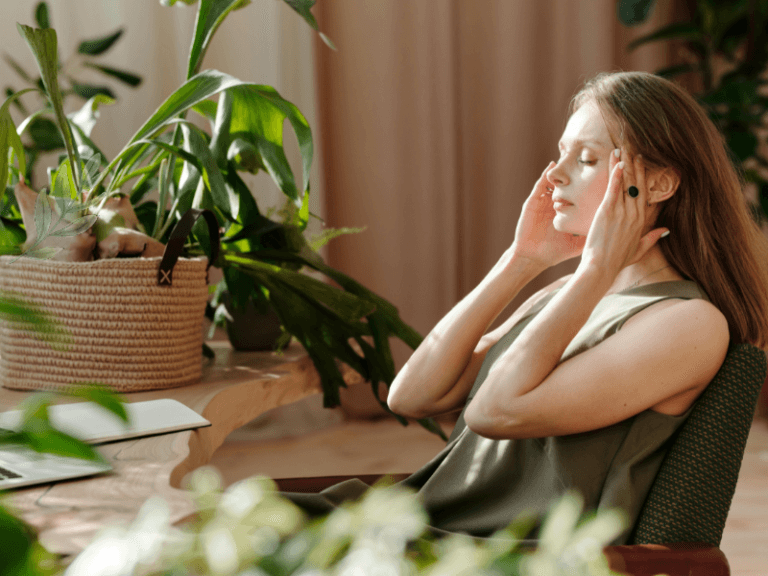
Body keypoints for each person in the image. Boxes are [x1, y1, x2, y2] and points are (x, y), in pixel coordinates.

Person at [283, 70, 768, 544]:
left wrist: (595, 270)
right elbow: (410, 396)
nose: (555, 174)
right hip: (416, 522)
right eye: (562, 154)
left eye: (586, 159)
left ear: (659, 185)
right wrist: (520, 261)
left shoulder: (687, 323)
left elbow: (496, 411)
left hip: (489, 554)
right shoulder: (565, 297)